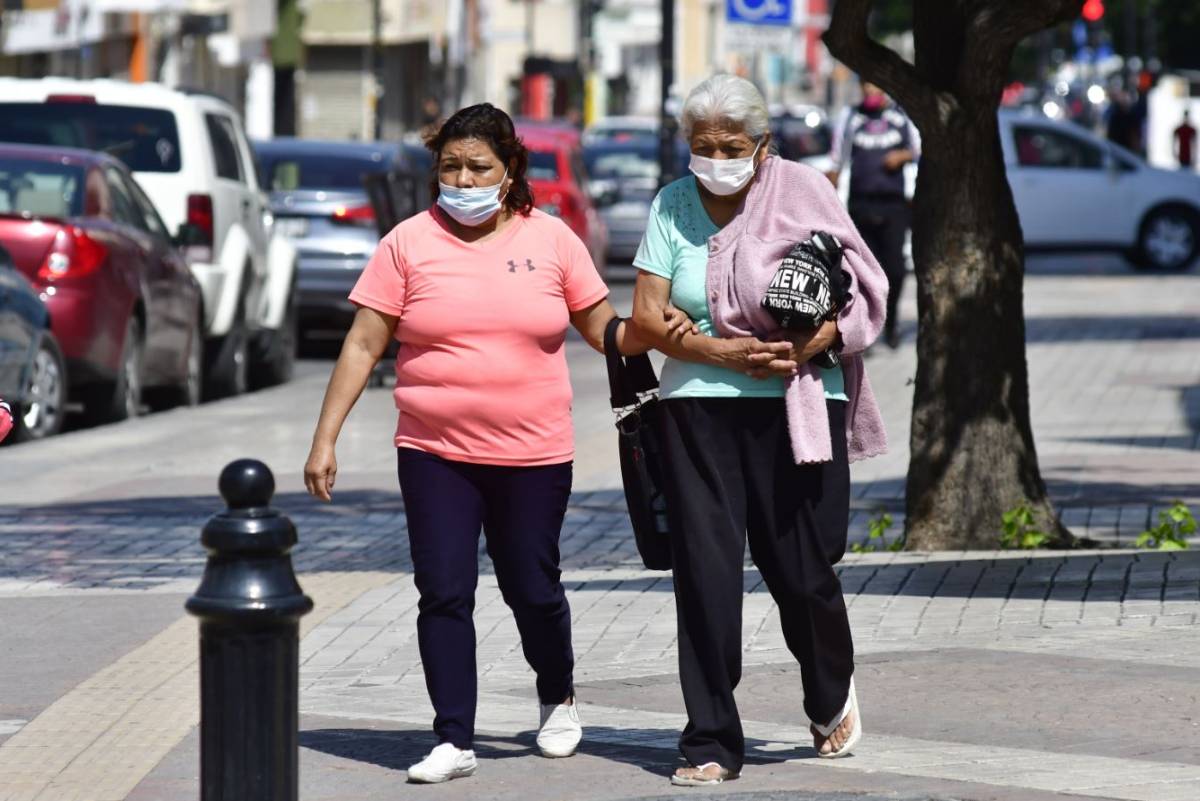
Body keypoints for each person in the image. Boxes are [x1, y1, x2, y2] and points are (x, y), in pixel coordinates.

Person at [302, 103, 687, 785]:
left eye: (478, 167)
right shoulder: (407, 243)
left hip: (533, 453)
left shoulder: (553, 240)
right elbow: (363, 343)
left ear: (510, 170)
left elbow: (604, 329)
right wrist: (324, 438)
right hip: (433, 450)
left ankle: (557, 693)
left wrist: (655, 329)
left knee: (531, 588)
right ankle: (453, 736)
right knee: (443, 591)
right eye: (450, 166)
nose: (463, 179)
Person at [631, 74, 890, 786]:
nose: (716, 158)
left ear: (762, 144)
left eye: (731, 146)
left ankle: (829, 688)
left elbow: (867, 289)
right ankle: (710, 738)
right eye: (703, 145)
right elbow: (646, 317)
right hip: (698, 404)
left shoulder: (803, 189)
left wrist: (818, 340)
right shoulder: (671, 204)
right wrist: (719, 352)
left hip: (798, 399)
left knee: (802, 567)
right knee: (705, 573)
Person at [828, 81, 918, 349]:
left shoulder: (901, 116)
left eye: (875, 85)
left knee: (895, 270)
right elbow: (837, 159)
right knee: (861, 272)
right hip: (860, 204)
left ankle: (891, 323)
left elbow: (919, 149)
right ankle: (863, 328)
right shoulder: (851, 116)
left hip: (894, 205)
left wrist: (902, 156)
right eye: (865, 85)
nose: (870, 90)